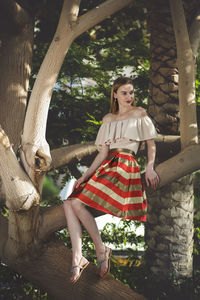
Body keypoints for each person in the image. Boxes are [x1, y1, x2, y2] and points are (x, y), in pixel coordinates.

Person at [63, 76, 159, 284]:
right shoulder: (108, 119)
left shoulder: (139, 113)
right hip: (108, 166)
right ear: (115, 94)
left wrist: (149, 167)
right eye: (124, 92)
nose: (129, 96)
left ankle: (97, 250)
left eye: (131, 92)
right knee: (69, 203)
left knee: (76, 203)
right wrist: (84, 176)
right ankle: (79, 256)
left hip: (125, 166)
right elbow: (102, 154)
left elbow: (151, 144)